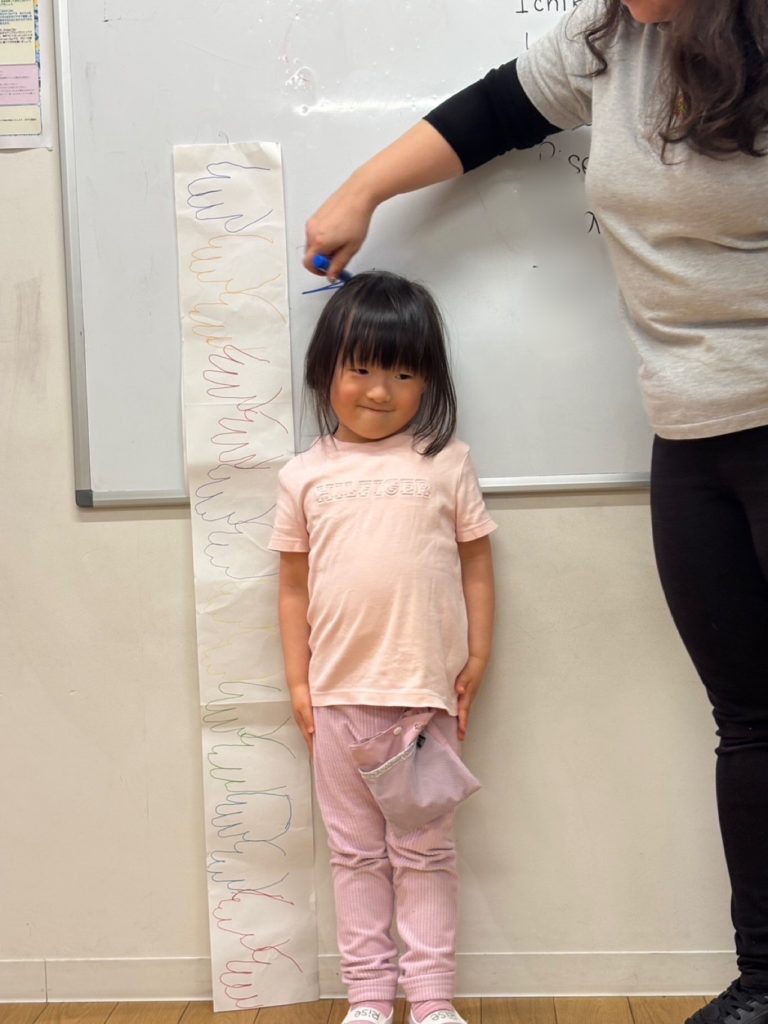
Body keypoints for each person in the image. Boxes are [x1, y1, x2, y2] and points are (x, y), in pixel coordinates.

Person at [301, 2, 768, 1024]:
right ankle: (765, 983)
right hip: (690, 430)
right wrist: (362, 190)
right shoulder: (611, 37)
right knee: (749, 720)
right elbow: (489, 115)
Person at [269, 271, 496, 1024]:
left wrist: (478, 657)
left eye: (402, 373)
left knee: (425, 852)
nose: (379, 391)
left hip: (424, 700)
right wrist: (299, 683)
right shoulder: (304, 475)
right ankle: (367, 1000)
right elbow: (293, 588)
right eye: (361, 368)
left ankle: (430, 1001)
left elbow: (476, 562)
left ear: (427, 380)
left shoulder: (446, 462)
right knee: (356, 855)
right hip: (337, 701)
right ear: (324, 371)